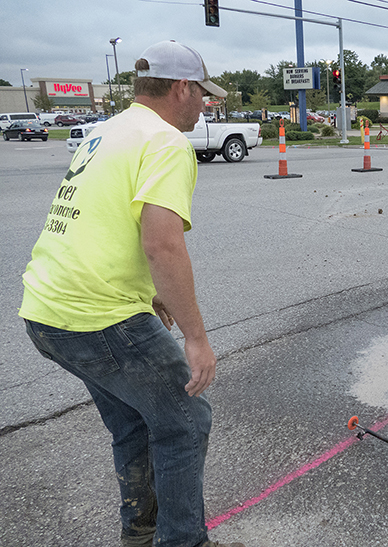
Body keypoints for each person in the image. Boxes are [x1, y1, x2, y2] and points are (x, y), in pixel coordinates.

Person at [19, 40, 243, 547]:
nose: (206, 104)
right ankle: (183, 541)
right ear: (181, 87)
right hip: (97, 318)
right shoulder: (165, 141)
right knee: (186, 422)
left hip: (46, 311)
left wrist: (150, 294)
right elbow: (162, 243)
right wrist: (197, 338)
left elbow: (100, 223)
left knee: (138, 421)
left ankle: (141, 535)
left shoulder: (107, 131)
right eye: (203, 94)